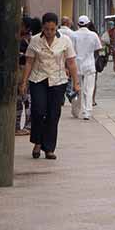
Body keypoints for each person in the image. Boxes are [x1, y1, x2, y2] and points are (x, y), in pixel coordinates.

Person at [20, 12, 79, 160]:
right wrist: (23, 82)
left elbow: (71, 62)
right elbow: (29, 62)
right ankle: (37, 142)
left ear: (57, 28)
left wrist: (76, 82)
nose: (49, 33)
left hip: (58, 81)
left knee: (53, 114)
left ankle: (49, 148)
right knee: (38, 111)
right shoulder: (35, 41)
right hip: (38, 79)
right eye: (46, 29)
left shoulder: (65, 41)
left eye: (52, 29)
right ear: (43, 28)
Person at [69, 16, 103, 120]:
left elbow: (71, 51)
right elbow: (98, 49)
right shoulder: (93, 35)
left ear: (78, 24)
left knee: (77, 88)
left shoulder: (73, 35)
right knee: (89, 89)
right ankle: (87, 112)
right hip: (89, 64)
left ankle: (76, 110)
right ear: (88, 24)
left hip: (77, 65)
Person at [16, 16, 39, 135]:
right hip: (20, 72)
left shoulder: (29, 40)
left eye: (21, 24)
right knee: (20, 100)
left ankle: (27, 126)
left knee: (26, 99)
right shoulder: (22, 38)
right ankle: (18, 126)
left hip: (25, 72)